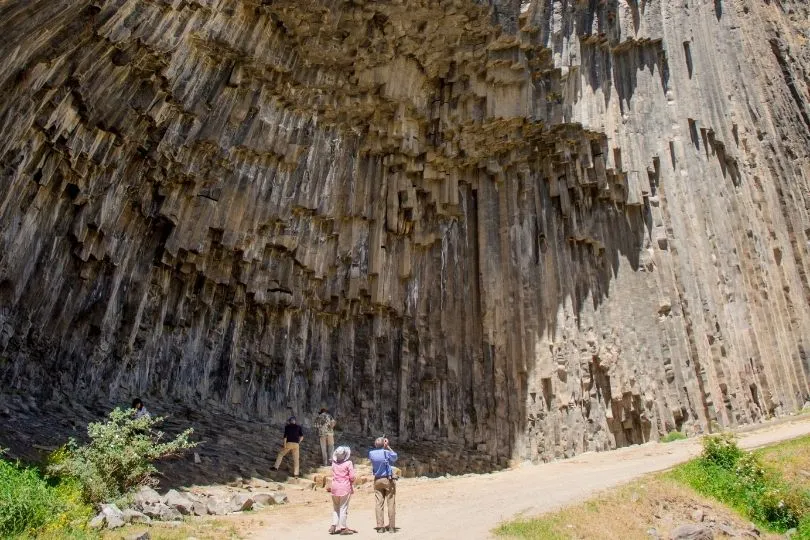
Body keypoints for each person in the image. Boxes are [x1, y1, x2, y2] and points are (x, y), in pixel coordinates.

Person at [368, 437, 398, 533]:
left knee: (378, 504)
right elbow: (395, 457)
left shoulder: (371, 453)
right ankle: (392, 527)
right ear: (383, 444)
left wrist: (382, 446)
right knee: (391, 503)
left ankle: (380, 527)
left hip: (377, 480)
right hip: (387, 479)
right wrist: (387, 446)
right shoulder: (386, 453)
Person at [328, 446, 356, 535]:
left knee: (336, 508)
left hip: (334, 487)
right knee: (343, 508)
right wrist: (352, 480)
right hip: (345, 487)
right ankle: (343, 528)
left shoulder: (333, 463)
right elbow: (352, 477)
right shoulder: (349, 463)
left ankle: (333, 525)